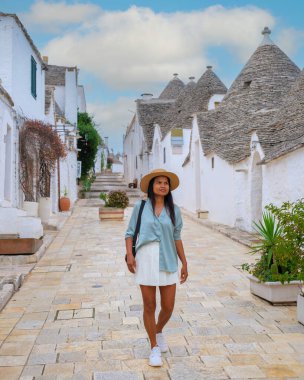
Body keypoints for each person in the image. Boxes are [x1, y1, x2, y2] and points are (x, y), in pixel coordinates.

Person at [125, 168, 188, 367]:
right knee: (149, 305)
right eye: (158, 182)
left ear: (169, 188)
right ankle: (153, 347)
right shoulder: (141, 207)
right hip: (146, 259)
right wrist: (129, 256)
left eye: (165, 183)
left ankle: (158, 329)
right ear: (152, 186)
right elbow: (129, 233)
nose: (162, 185)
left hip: (168, 258)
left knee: (168, 306)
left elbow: (177, 237)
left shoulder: (174, 210)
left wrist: (184, 262)